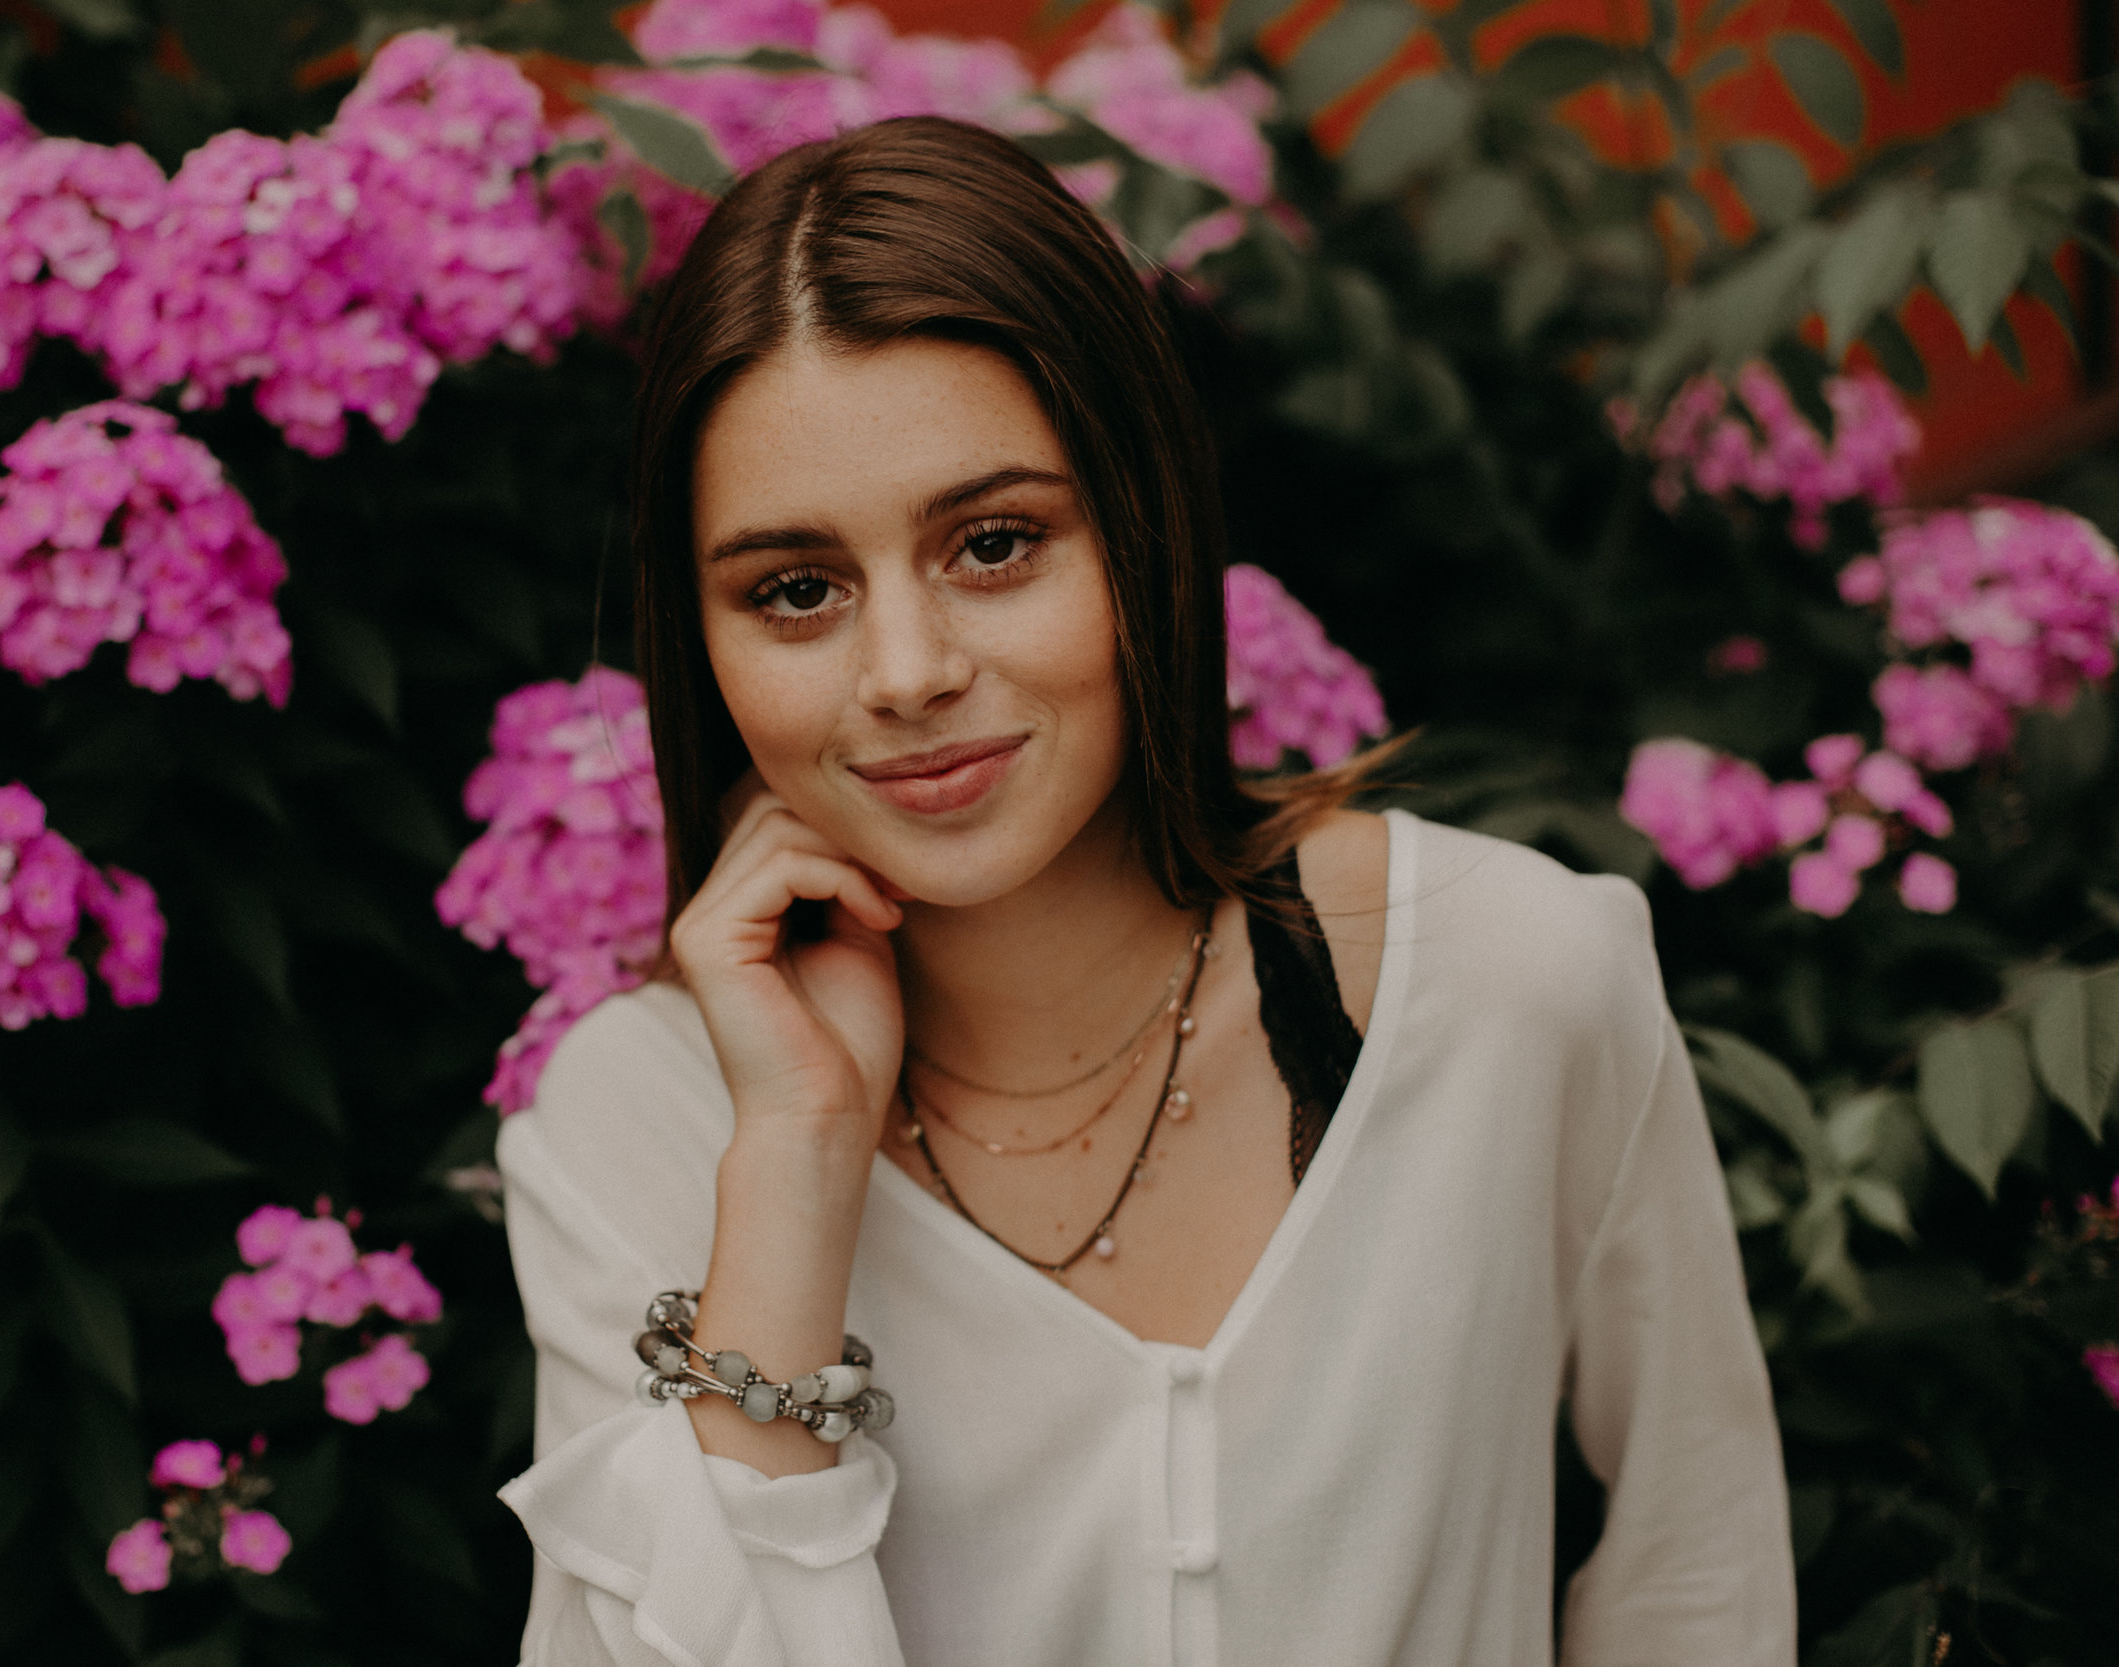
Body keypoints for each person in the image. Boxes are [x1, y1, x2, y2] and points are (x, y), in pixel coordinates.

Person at [493, 116, 1792, 1667]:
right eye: (796, 591)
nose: (906, 674)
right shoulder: (636, 1130)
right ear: (697, 638)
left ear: (1147, 527)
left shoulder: (1514, 984)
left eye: (993, 544)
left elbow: (1694, 1582)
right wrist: (794, 1170)